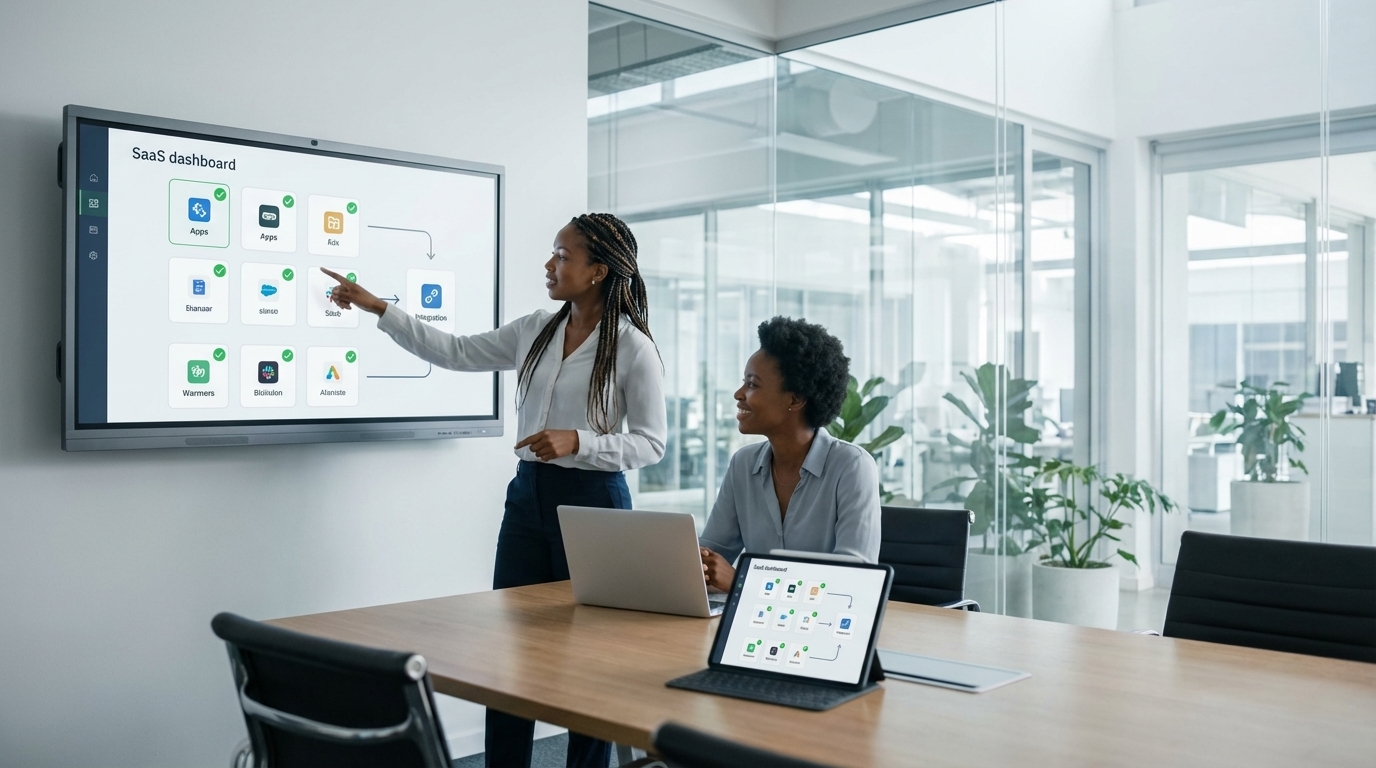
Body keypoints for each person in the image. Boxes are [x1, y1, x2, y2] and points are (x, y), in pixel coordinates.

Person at [322, 212, 665, 768]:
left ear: (598, 270)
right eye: (553, 253)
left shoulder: (633, 348)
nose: (549, 265)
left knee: (590, 661)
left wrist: (578, 441)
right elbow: (456, 352)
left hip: (596, 506)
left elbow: (651, 444)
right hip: (527, 497)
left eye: (563, 255)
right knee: (513, 653)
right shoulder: (536, 327)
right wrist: (380, 308)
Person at [699, 317, 880, 591]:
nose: (739, 394)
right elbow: (711, 559)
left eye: (752, 384)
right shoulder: (743, 464)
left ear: (795, 399)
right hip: (758, 621)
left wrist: (740, 582)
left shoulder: (852, 466)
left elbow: (854, 579)